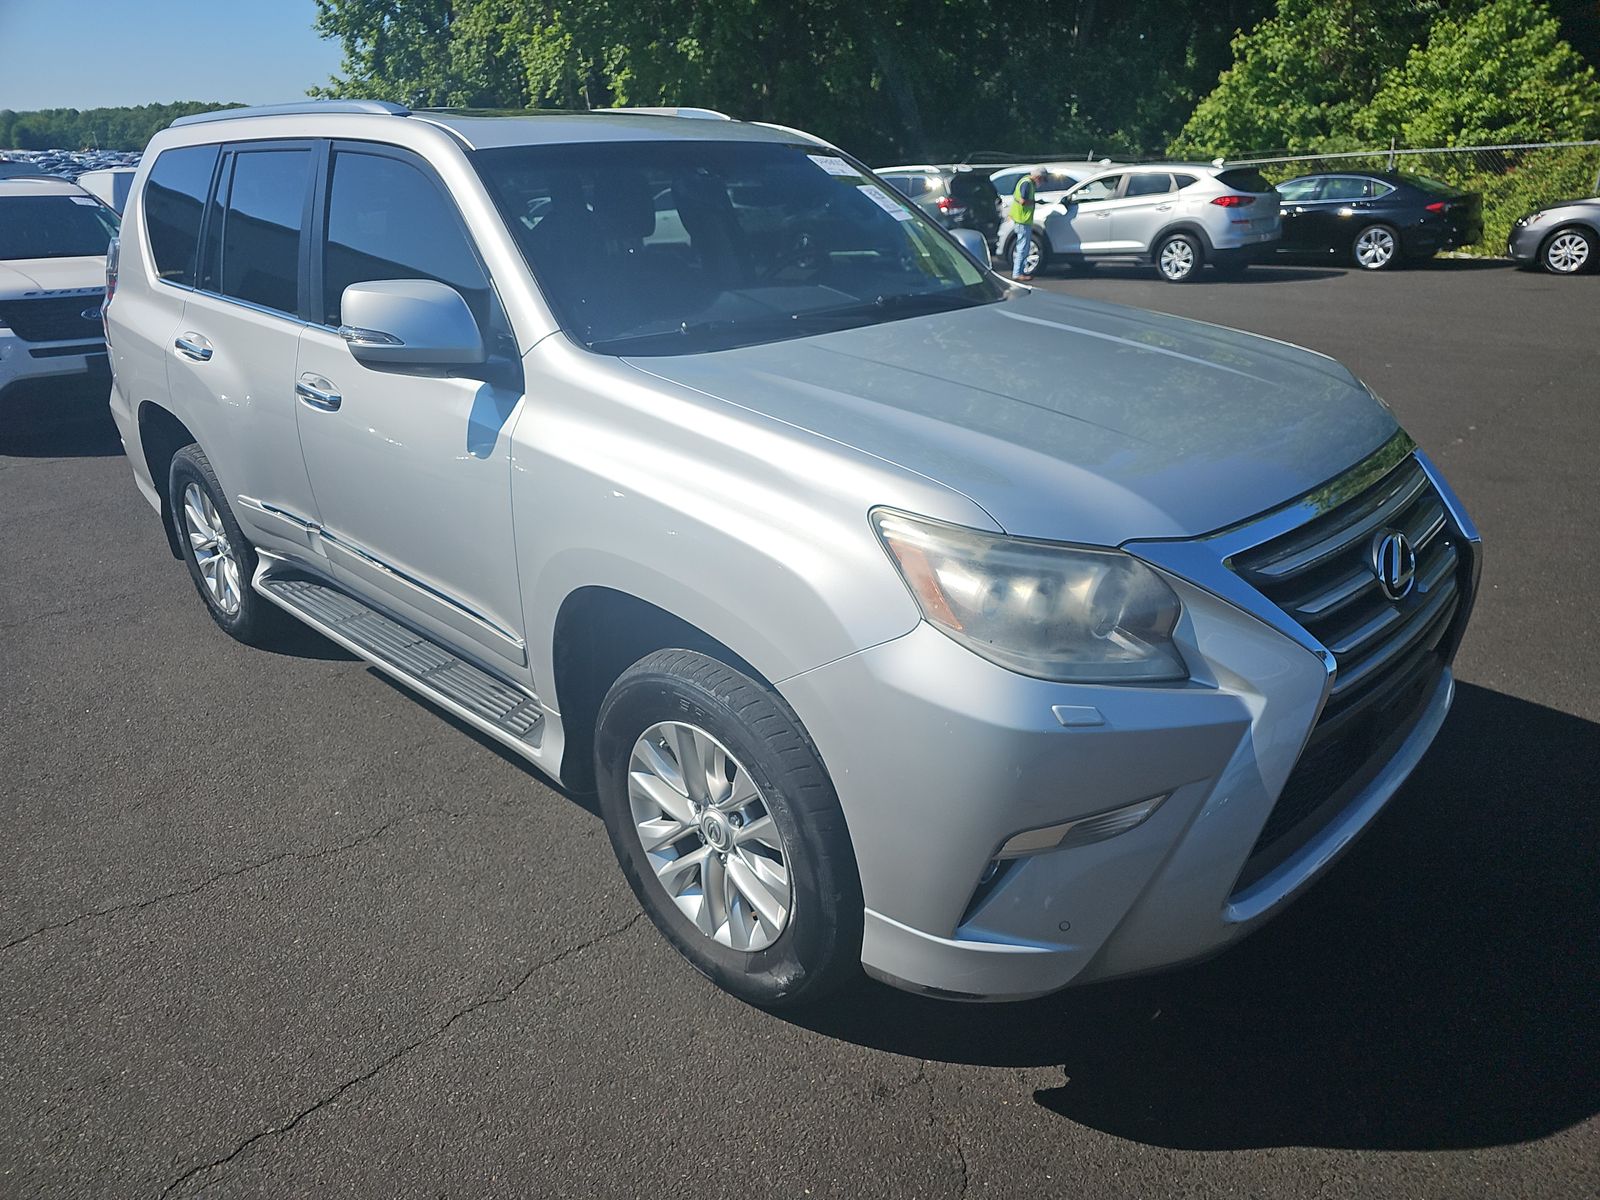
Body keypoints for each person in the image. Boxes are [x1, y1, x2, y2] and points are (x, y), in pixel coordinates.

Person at [1009, 166, 1047, 280]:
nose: (1042, 182)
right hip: (1022, 219)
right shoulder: (1027, 183)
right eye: (1042, 179)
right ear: (1037, 177)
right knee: (1022, 247)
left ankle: (1020, 272)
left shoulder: (1027, 182)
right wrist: (1034, 202)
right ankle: (1018, 273)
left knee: (1023, 247)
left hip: (1023, 219)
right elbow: (1023, 201)